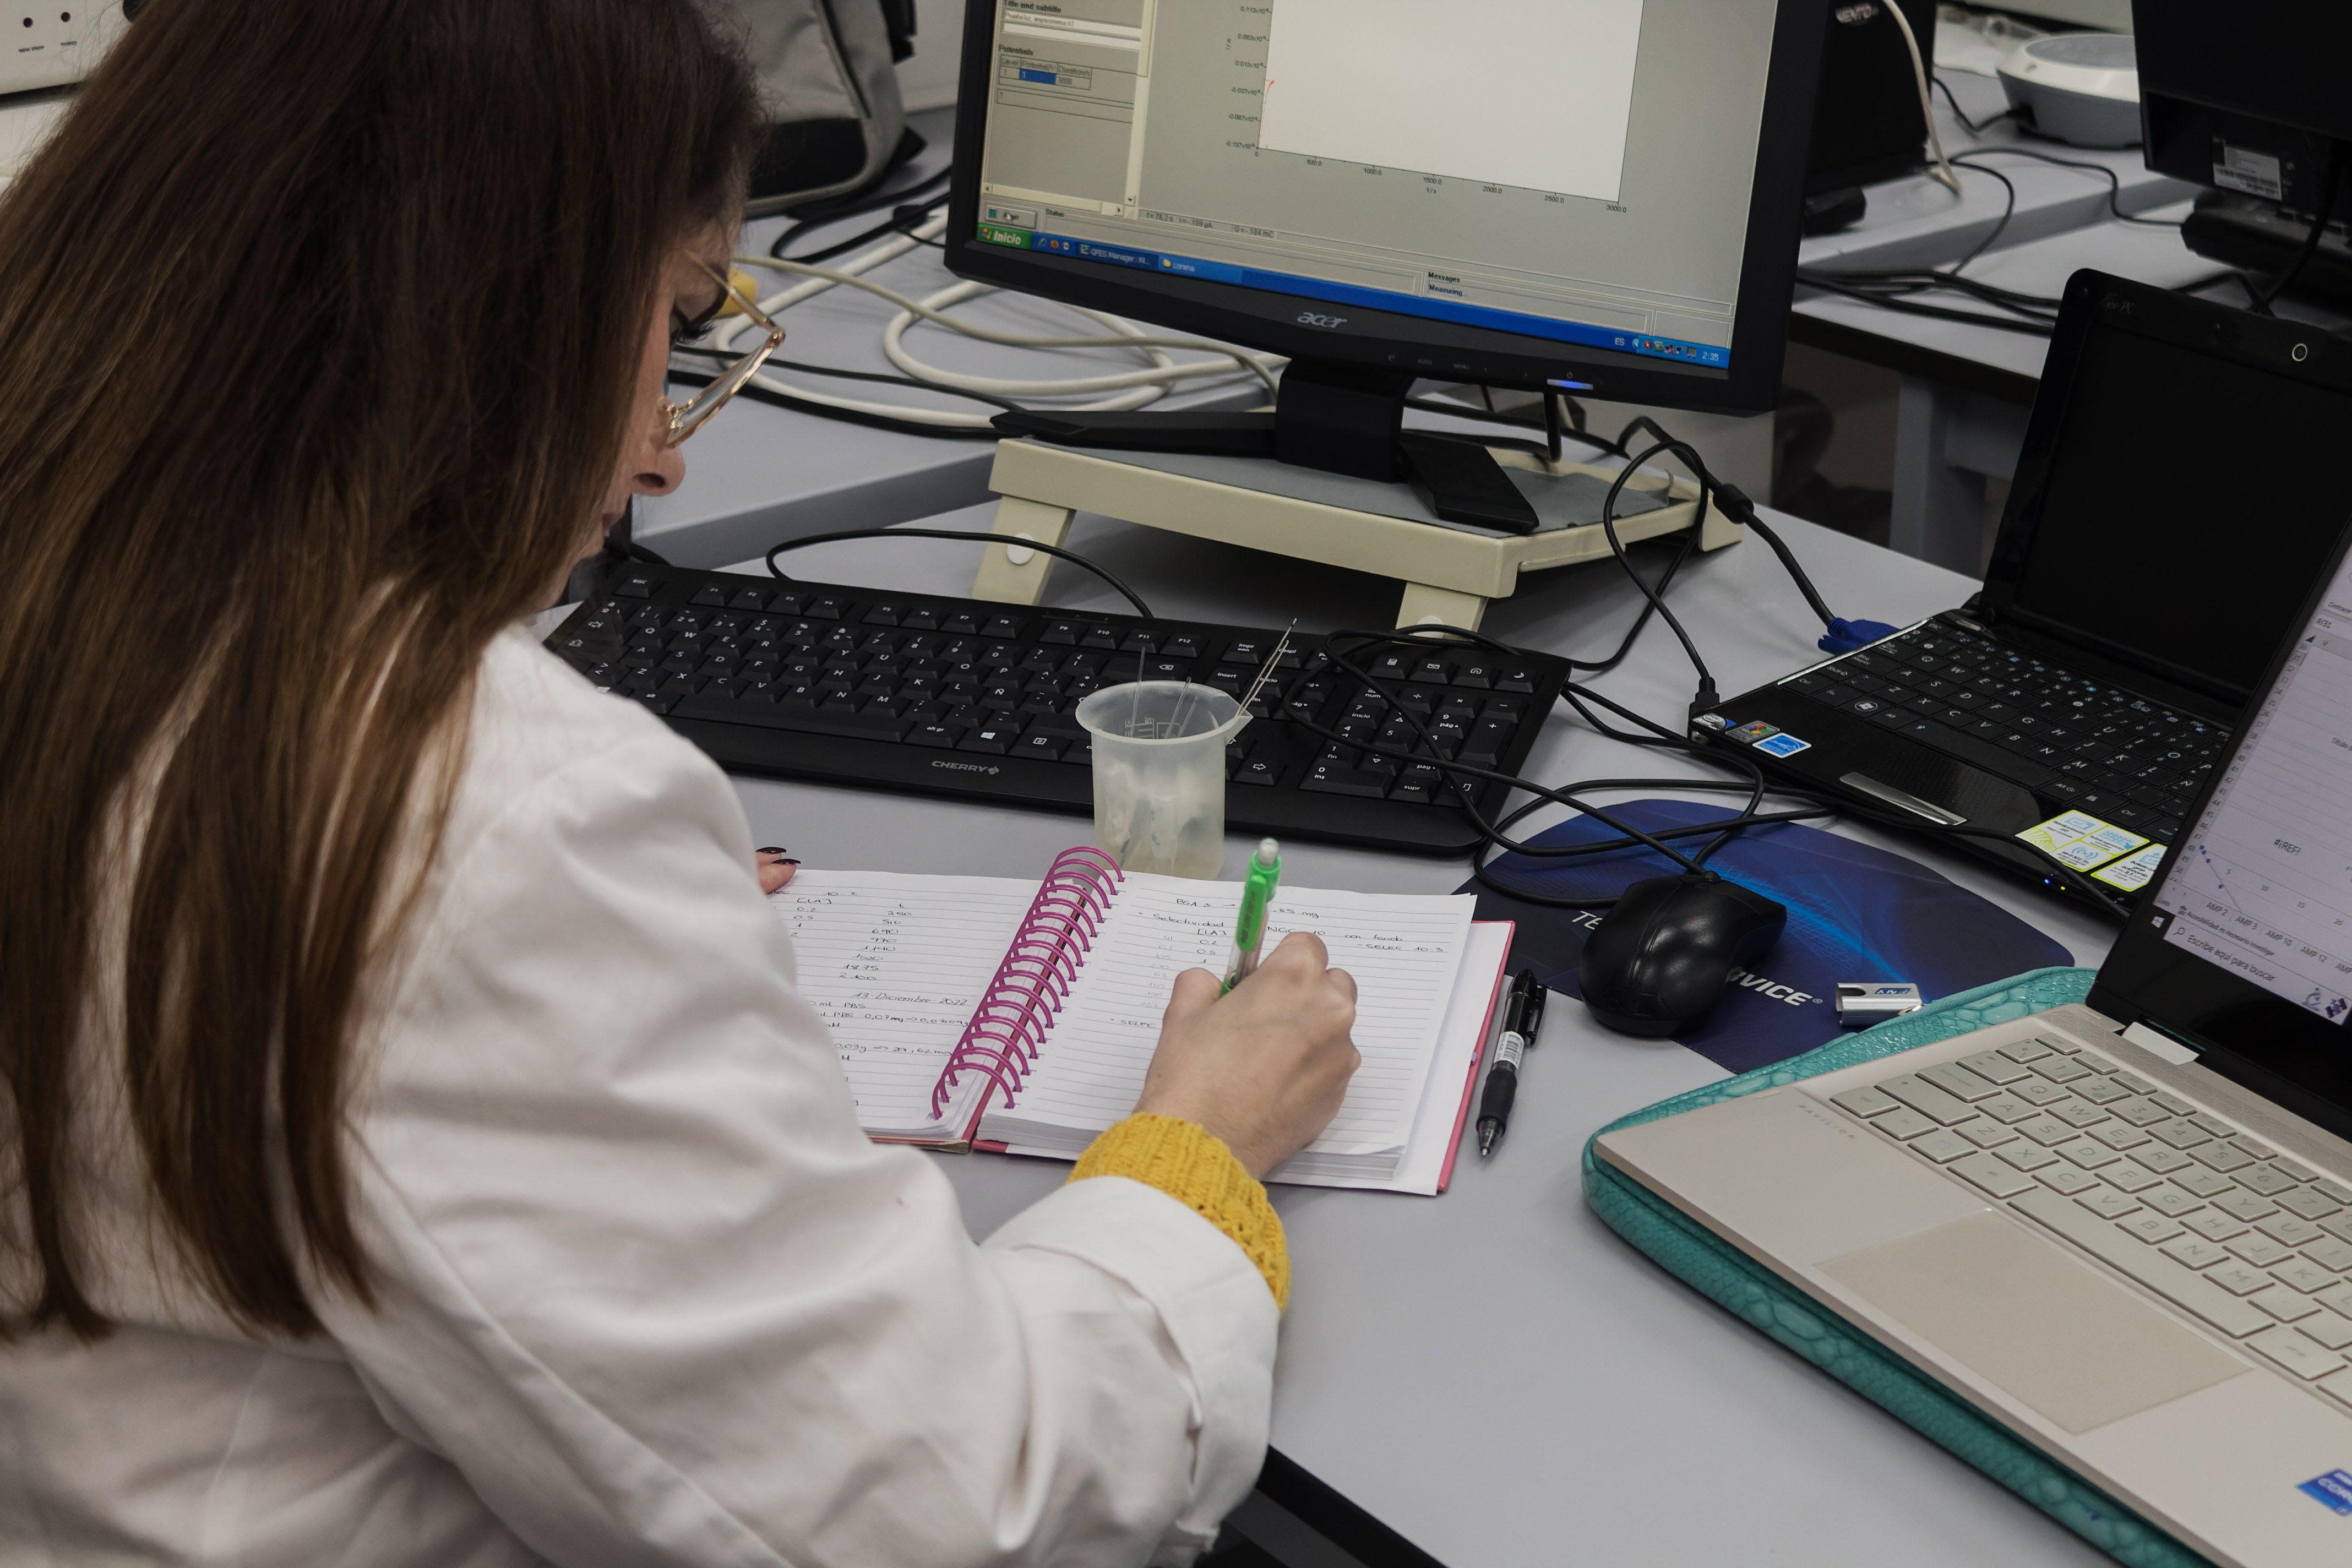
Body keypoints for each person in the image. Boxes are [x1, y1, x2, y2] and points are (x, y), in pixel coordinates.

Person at [0, 3, 1362, 1564]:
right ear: (503, 313)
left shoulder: (72, 572)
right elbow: (949, 1512)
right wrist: (1195, 1152)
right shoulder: (467, 813)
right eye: (678, 318)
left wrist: (613, 966)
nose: (664, 456)